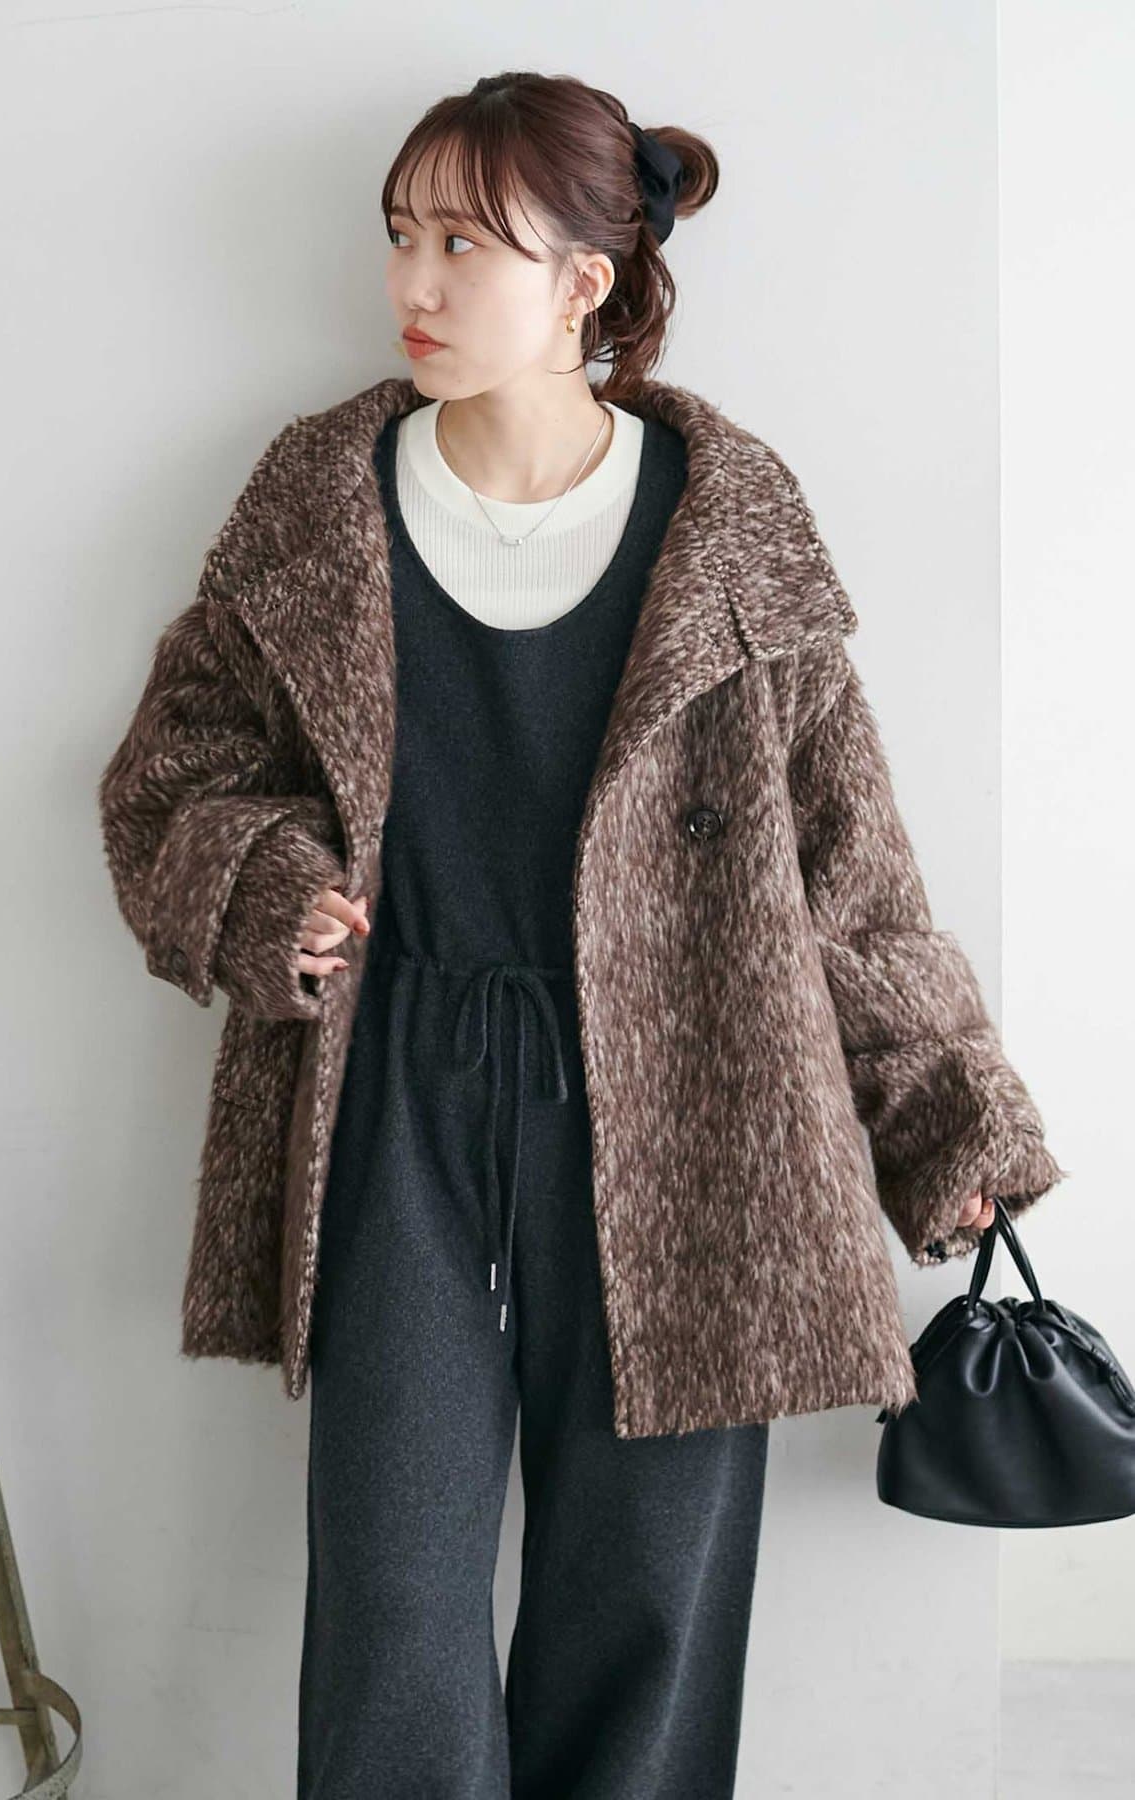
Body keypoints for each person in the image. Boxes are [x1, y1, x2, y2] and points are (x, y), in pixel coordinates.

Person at [98, 69, 1064, 1800]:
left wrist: (944, 1122)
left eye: (464, 244)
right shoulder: (319, 497)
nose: (413, 282)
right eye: (401, 234)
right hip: (398, 1079)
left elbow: (847, 864)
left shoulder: (725, 524)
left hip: (693, 1091)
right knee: (395, 1590)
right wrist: (266, 891)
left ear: (584, 282)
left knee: (647, 1600)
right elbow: (168, 777)